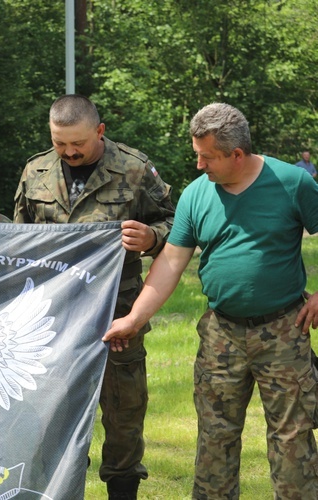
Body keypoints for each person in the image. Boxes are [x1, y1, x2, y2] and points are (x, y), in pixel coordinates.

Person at [103, 102, 318, 498]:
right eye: (196, 154)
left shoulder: (293, 182)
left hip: (285, 331)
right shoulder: (196, 195)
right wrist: (133, 319)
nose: (199, 165)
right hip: (222, 334)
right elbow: (169, 262)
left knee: (293, 441)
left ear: (238, 154)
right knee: (215, 441)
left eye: (207, 157)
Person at [13, 94, 176, 499]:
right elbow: (18, 242)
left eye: (78, 144)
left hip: (117, 317)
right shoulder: (35, 171)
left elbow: (178, 225)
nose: (69, 152)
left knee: (123, 417)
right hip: (50, 320)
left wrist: (153, 236)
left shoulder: (133, 168)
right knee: (51, 416)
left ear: (100, 132)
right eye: (59, 143)